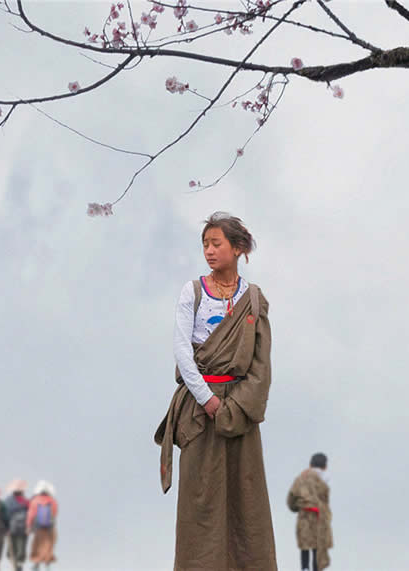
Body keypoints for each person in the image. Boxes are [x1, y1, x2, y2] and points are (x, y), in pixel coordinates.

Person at [155, 212, 277, 570]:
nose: (209, 251)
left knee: (246, 498)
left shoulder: (253, 299)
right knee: (201, 500)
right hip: (198, 409)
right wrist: (207, 400)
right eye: (205, 244)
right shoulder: (192, 292)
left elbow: (260, 363)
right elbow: (181, 349)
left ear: (238, 248)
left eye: (216, 243)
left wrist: (237, 408)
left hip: (241, 411)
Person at [287, 453, 333, 571]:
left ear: (310, 464)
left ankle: (305, 567)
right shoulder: (326, 477)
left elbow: (291, 498)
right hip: (320, 517)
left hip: (305, 515)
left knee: (305, 544)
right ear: (325, 466)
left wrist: (296, 507)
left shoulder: (301, 478)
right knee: (318, 546)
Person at [26, 480, 58, 571]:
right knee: (48, 545)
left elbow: (30, 515)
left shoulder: (35, 500)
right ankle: (47, 565)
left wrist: (28, 526)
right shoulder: (52, 501)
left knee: (37, 544)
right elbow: (54, 513)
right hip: (49, 528)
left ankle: (36, 564)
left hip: (38, 528)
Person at [3, 479, 30, 571]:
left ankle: (14, 563)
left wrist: (6, 528)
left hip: (12, 528)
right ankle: (19, 564)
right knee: (21, 547)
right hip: (23, 529)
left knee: (11, 549)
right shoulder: (26, 501)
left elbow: (5, 515)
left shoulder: (8, 501)